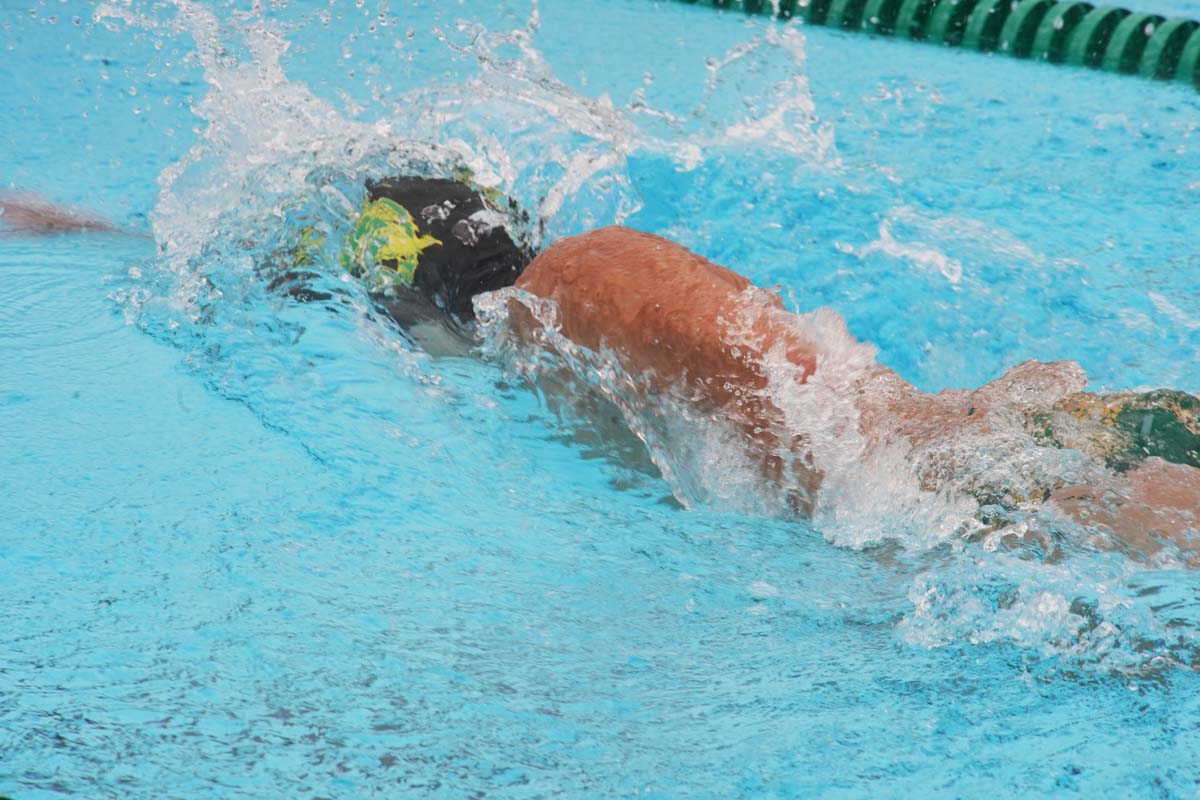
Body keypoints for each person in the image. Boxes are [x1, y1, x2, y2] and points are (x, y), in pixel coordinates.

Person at [5, 177, 1197, 560]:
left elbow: (816, 413)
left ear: (416, 305)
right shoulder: (561, 369)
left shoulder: (575, 286)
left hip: (946, 477)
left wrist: (852, 506)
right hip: (948, 490)